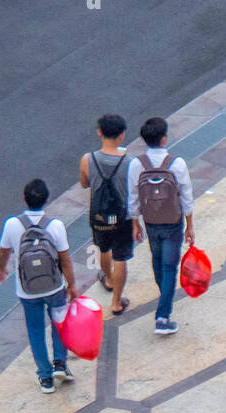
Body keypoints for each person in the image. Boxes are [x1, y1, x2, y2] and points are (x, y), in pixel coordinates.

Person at [0, 179, 78, 395]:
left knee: (35, 330)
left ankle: (45, 377)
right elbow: (65, 259)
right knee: (59, 324)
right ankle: (60, 364)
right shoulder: (55, 226)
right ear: (47, 200)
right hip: (54, 287)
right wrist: (71, 285)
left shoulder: (12, 225)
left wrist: (2, 269)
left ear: (24, 198)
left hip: (27, 290)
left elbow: (4, 250)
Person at [128, 117, 195, 336]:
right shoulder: (177, 164)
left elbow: (132, 198)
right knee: (169, 268)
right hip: (173, 223)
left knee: (157, 261)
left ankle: (163, 298)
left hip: (151, 222)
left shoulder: (137, 164)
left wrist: (135, 224)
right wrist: (189, 226)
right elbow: (186, 197)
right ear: (164, 138)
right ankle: (163, 316)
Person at [80, 114, 135, 318]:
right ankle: (117, 302)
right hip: (122, 217)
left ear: (99, 132)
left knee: (104, 247)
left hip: (99, 216)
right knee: (121, 256)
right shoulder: (129, 162)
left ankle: (109, 279)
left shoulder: (87, 159)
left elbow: (85, 183)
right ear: (122, 136)